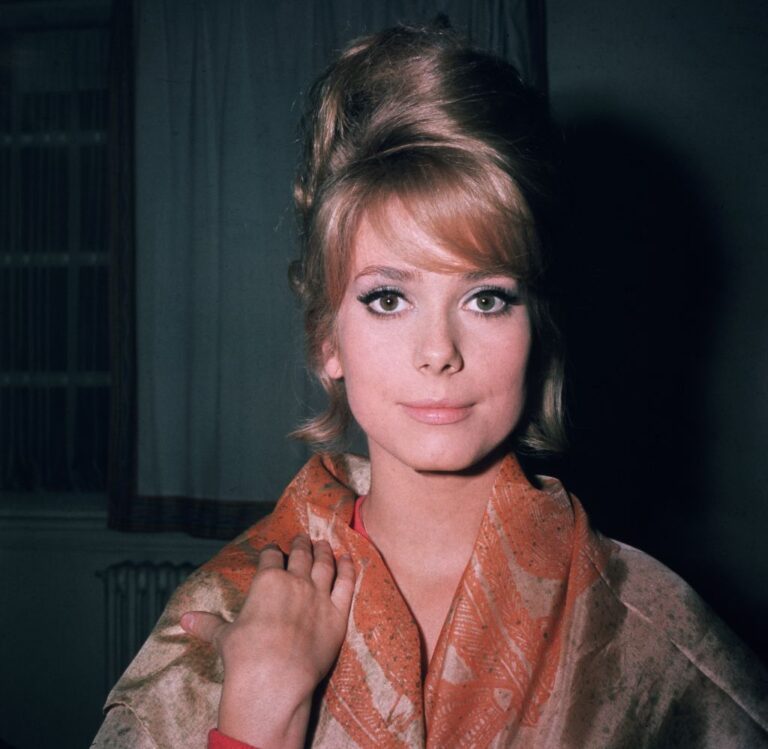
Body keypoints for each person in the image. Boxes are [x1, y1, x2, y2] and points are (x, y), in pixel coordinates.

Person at [92, 22, 768, 749]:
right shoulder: (220, 618)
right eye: (388, 298)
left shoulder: (660, 647)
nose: (439, 351)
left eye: (486, 298)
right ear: (327, 341)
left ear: (538, 333)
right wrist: (254, 723)